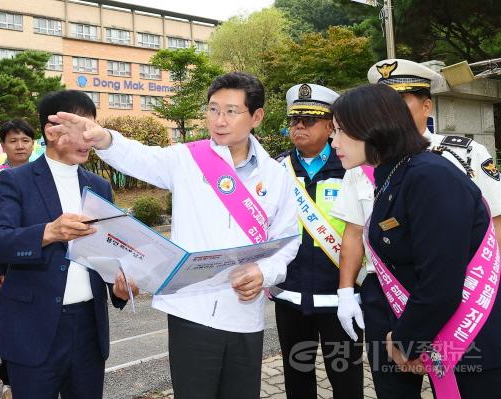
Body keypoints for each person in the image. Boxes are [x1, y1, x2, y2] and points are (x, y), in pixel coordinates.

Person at [47, 72, 299, 399]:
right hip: (191, 313)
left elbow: (288, 241)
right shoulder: (187, 159)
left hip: (245, 316)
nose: (219, 120)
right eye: (213, 109)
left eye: (231, 111)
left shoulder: (278, 176)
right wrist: (104, 137)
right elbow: (138, 156)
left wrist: (264, 272)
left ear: (257, 116)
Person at [331, 59, 501, 397]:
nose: (332, 141)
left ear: (373, 127)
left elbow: (441, 281)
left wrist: (406, 340)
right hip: (411, 317)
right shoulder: (397, 173)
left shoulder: (428, 176)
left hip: (466, 331)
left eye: (339, 130)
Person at [0, 90, 136, 399]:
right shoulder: (17, 180)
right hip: (32, 328)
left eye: (94, 128)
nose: (91, 137)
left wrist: (119, 288)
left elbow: (109, 251)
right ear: (51, 131)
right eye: (83, 127)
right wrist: (48, 232)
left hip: (88, 330)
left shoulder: (99, 186)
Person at [270, 83, 363, 399]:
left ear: (330, 124)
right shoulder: (276, 168)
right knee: (297, 377)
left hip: (340, 298)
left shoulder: (351, 165)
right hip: (290, 295)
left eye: (309, 120)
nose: (299, 126)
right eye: (295, 119)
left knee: (346, 377)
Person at [0, 119, 35, 398]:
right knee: (10, 321)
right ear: (3, 146)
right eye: (13, 141)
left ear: (33, 143)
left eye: (25, 140)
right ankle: (9, 379)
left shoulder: (42, 175)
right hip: (8, 264)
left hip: (40, 258)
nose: (20, 145)